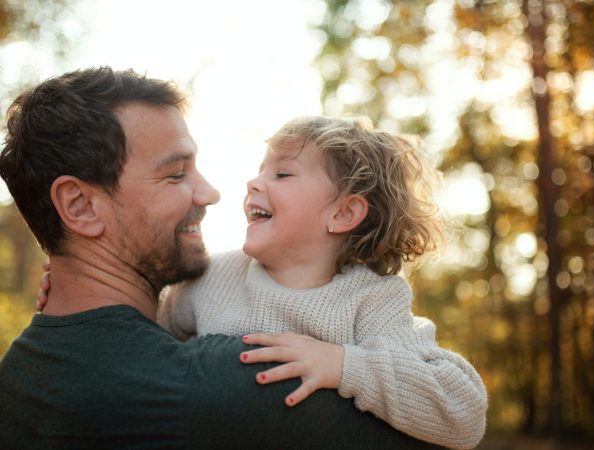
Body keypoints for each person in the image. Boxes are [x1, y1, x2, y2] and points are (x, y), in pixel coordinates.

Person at [0, 67, 443, 449]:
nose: (212, 194)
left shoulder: (19, 377)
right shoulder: (244, 381)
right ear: (79, 206)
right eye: (175, 174)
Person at [155, 116, 489, 449]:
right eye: (260, 170)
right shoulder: (216, 276)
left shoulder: (371, 300)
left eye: (282, 174)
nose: (253, 182)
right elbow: (147, 340)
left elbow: (464, 416)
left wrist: (344, 365)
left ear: (343, 213)